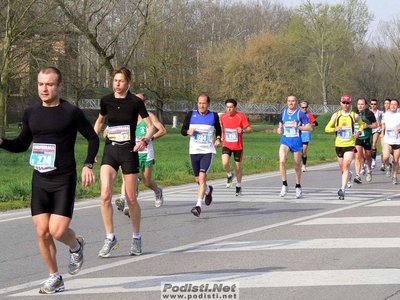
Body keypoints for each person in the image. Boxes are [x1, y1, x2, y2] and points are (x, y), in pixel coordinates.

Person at [0, 67, 99, 294]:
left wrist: (87, 165)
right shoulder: (31, 113)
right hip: (40, 179)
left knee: (56, 230)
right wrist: (2, 142)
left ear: (59, 86)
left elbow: (92, 138)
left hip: (64, 179)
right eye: (41, 84)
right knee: (42, 231)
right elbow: (22, 144)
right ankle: (55, 277)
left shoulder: (71, 112)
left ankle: (76, 246)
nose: (44, 88)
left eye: (49, 84)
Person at [94, 67, 154, 257]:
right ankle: (110, 238)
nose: (117, 84)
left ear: (128, 82)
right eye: (115, 81)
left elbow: (150, 126)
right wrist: (92, 147)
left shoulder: (135, 102)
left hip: (129, 150)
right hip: (110, 150)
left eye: (121, 81)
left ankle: (136, 237)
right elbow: (99, 122)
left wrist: (145, 140)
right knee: (105, 195)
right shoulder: (106, 100)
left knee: (131, 198)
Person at [114, 93, 167, 215]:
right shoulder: (128, 116)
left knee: (146, 182)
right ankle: (128, 204)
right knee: (131, 179)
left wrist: (150, 138)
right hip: (132, 153)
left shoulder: (150, 116)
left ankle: (157, 191)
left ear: (145, 103)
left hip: (146, 152)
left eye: (140, 101)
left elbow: (163, 130)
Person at [181, 93, 222, 217]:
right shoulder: (190, 114)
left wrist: (218, 138)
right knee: (198, 180)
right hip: (194, 151)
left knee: (202, 177)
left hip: (207, 151)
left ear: (208, 104)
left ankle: (198, 205)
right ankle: (208, 190)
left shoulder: (213, 116)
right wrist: (188, 131)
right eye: (199, 103)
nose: (201, 105)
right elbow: (182, 131)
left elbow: (218, 129)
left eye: (204, 103)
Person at [325, 95, 363, 200]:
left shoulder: (354, 115)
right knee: (342, 169)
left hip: (350, 145)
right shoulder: (336, 115)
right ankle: (349, 176)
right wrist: (335, 129)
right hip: (339, 145)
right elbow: (327, 128)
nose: (346, 105)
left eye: (347, 103)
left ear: (350, 104)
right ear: (341, 103)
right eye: (344, 103)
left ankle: (342, 189)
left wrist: (358, 132)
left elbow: (362, 125)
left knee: (346, 166)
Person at [277, 94, 312, 199]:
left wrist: (299, 127)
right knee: (282, 160)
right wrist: (279, 129)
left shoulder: (300, 114)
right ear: (287, 102)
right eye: (289, 101)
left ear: (296, 103)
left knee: (296, 165)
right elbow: (280, 124)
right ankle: (284, 184)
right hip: (285, 140)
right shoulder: (283, 113)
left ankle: (298, 186)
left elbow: (309, 127)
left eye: (293, 101)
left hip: (296, 141)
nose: (291, 103)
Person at [219, 98, 253, 196]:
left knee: (237, 166)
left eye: (231, 107)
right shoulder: (223, 117)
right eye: (227, 107)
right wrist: (221, 138)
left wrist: (243, 130)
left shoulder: (240, 116)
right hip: (227, 144)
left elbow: (250, 129)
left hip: (238, 146)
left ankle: (238, 185)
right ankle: (229, 174)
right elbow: (222, 128)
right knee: (225, 163)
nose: (229, 109)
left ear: (235, 107)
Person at [353, 98, 377, 184]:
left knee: (368, 156)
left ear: (366, 105)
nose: (360, 106)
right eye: (359, 104)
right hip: (358, 138)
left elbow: (375, 125)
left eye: (362, 104)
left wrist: (368, 126)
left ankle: (369, 170)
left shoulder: (369, 114)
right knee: (357, 156)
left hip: (367, 137)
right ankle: (357, 175)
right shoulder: (354, 114)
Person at [381, 99, 400, 184]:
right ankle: (388, 165)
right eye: (391, 104)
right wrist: (382, 133)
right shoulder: (385, 115)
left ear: (397, 106)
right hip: (388, 140)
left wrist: (399, 131)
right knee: (385, 157)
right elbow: (383, 124)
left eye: (395, 104)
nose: (392, 106)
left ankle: (395, 177)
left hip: (397, 141)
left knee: (396, 160)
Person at [299, 100, 318, 172]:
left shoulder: (309, 115)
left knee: (304, 150)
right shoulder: (297, 114)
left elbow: (316, 123)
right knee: (299, 150)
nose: (304, 109)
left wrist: (310, 124)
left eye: (305, 107)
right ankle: (298, 164)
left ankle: (303, 165)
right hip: (298, 134)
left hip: (306, 134)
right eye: (303, 107)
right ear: (300, 107)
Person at [369, 99, 383, 169]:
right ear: (370, 105)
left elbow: (385, 119)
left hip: (377, 130)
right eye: (372, 104)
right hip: (369, 130)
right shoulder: (368, 112)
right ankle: (371, 158)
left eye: (375, 104)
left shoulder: (380, 112)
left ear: (377, 105)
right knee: (369, 146)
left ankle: (374, 160)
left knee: (374, 143)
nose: (373, 105)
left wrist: (381, 123)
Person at [380, 98, 391, 172]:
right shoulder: (383, 113)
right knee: (384, 149)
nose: (387, 105)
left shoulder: (396, 112)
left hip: (393, 134)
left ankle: (395, 161)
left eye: (388, 103)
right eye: (385, 103)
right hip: (385, 132)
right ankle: (384, 164)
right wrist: (382, 132)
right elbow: (383, 124)